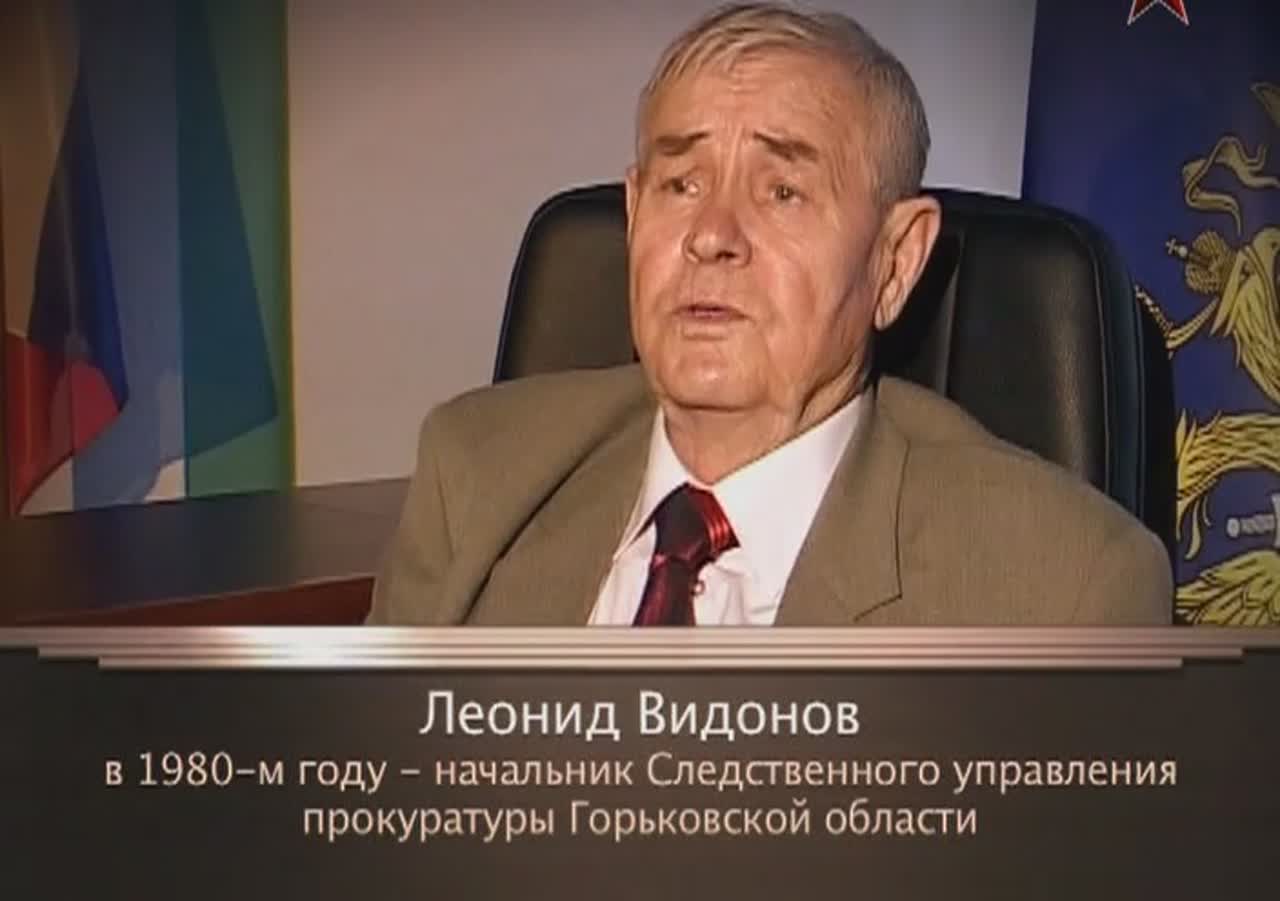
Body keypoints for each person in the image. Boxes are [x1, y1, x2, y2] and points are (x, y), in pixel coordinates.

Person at [366, 2, 1172, 626]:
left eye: (783, 191)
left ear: (895, 261)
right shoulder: (475, 474)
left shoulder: (1064, 585)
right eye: (681, 185)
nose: (710, 235)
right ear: (635, 213)